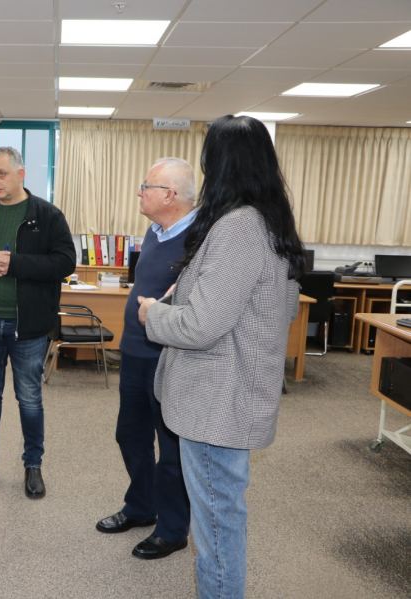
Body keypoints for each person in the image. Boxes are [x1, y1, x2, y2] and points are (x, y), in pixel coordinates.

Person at [139, 115, 304, 598]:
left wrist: (153, 314)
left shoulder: (239, 227)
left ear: (221, 163)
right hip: (231, 395)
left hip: (217, 403)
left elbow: (199, 326)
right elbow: (280, 305)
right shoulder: (269, 221)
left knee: (216, 525)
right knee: (221, 515)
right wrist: (190, 292)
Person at [0, 146, 76, 499]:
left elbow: (65, 262)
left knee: (30, 399)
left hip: (28, 327)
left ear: (21, 174)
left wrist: (15, 264)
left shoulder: (47, 215)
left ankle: (32, 465)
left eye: (1, 174)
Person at [96, 158, 196, 560]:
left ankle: (172, 530)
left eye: (146, 186)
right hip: (136, 351)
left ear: (169, 195)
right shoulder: (155, 230)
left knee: (170, 449)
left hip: (169, 358)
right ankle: (141, 506)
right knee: (130, 434)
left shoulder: (200, 239)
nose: (139, 192)